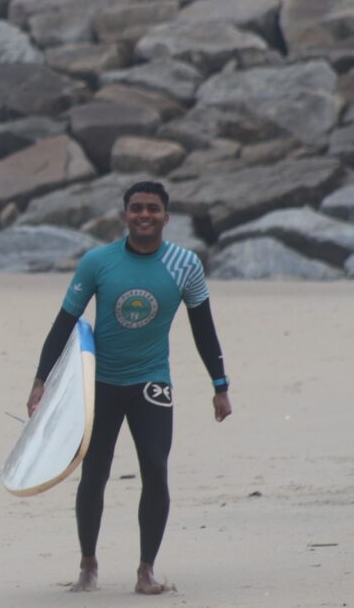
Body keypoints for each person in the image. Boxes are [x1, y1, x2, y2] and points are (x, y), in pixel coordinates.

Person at [26, 180, 232, 595]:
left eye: (152, 209)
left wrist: (220, 384)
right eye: (136, 208)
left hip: (152, 382)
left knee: (156, 470)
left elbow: (203, 328)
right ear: (124, 215)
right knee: (94, 474)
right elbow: (64, 322)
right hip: (99, 383)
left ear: (166, 217)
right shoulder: (97, 262)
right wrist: (40, 381)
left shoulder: (185, 265)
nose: (144, 215)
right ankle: (88, 564)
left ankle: (146, 571)